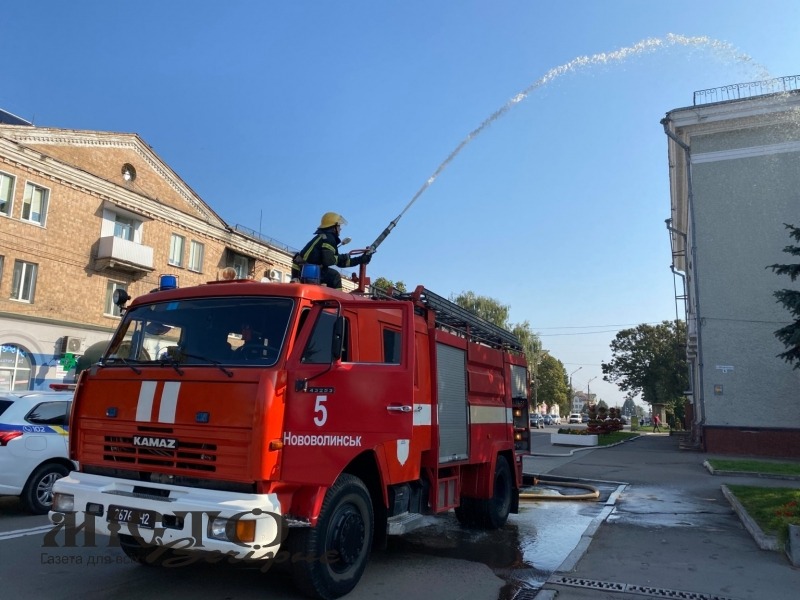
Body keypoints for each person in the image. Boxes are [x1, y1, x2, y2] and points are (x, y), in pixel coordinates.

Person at [291, 212, 372, 289]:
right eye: (339, 226)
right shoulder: (329, 238)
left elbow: (339, 262)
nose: (340, 229)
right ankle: (336, 302)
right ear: (333, 227)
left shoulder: (323, 237)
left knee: (330, 275)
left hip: (304, 270)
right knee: (334, 276)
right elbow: (329, 261)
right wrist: (345, 256)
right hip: (309, 270)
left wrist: (361, 259)